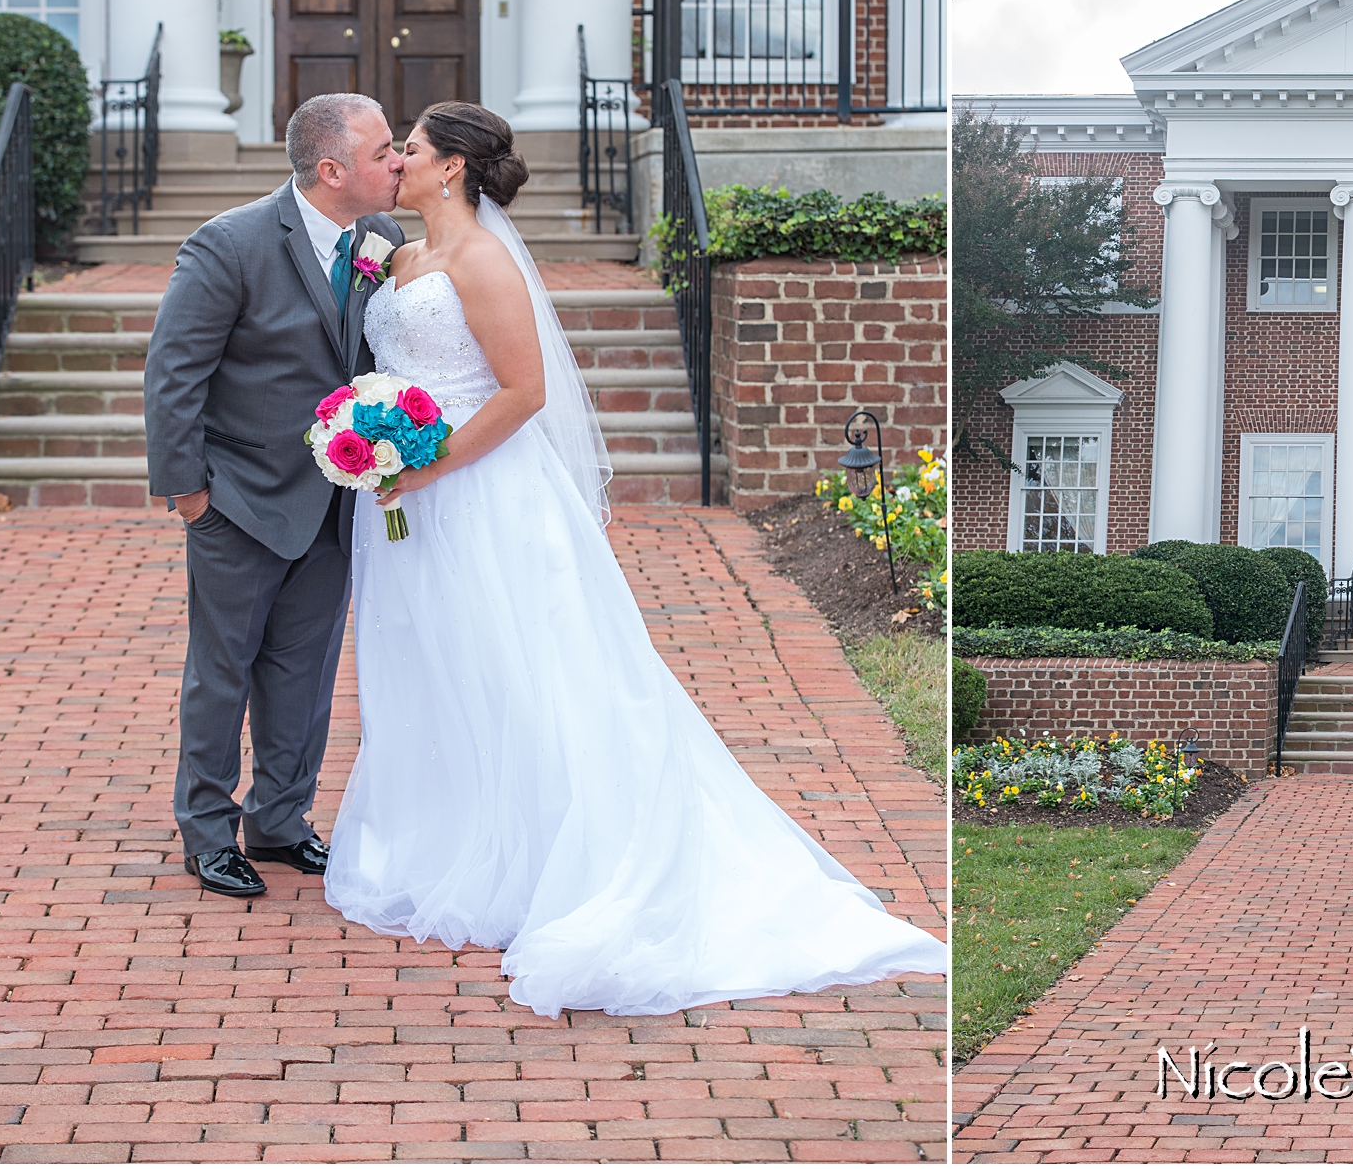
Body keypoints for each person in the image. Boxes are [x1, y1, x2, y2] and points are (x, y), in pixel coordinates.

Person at [321, 100, 947, 1016]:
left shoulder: (482, 260)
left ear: (451, 167)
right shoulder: (402, 257)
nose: (397, 162)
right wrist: (373, 441)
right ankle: (450, 835)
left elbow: (525, 391)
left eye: (408, 150)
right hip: (409, 499)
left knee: (521, 667)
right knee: (437, 664)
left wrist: (425, 464)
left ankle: (551, 854)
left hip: (482, 493)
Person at [145, 93, 405, 898]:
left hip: (336, 501)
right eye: (384, 151)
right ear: (332, 171)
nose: (400, 162)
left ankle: (283, 822)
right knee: (222, 670)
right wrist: (191, 496)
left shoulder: (384, 240)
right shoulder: (229, 244)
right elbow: (173, 375)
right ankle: (207, 831)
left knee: (307, 670)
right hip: (241, 503)